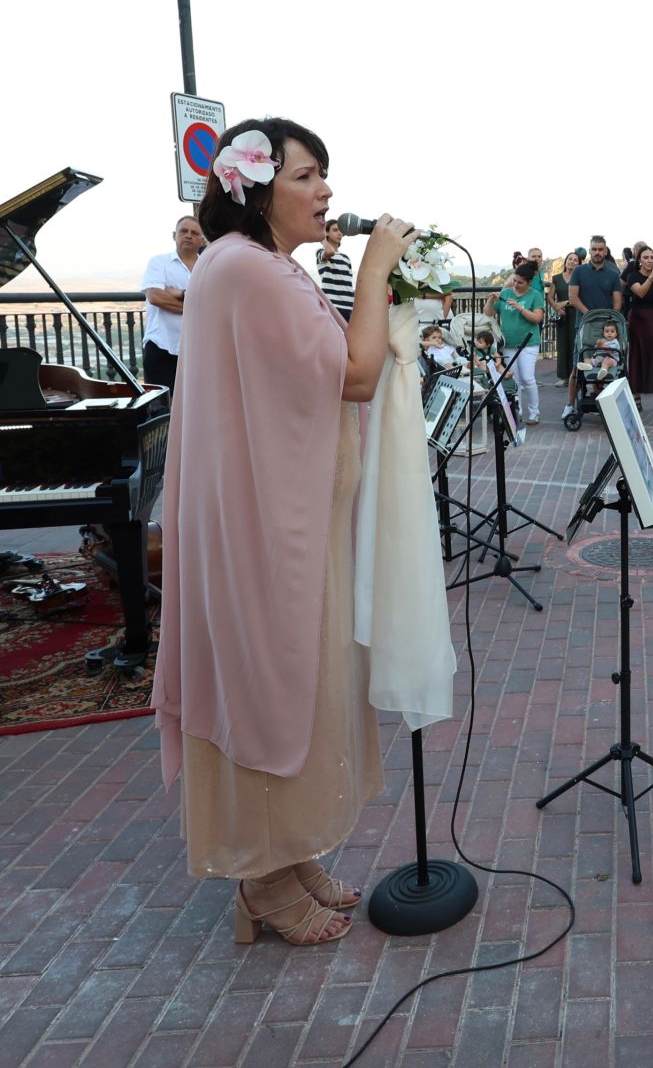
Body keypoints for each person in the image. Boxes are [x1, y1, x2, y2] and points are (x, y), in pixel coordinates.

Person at [152, 117, 415, 947]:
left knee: (297, 679)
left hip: (285, 515)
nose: (326, 190)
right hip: (266, 525)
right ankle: (261, 879)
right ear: (258, 188)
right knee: (271, 683)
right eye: (307, 176)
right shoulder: (249, 269)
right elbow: (356, 374)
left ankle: (289, 851)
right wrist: (375, 267)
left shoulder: (256, 266)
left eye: (324, 175)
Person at [141, 214, 204, 392]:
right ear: (174, 235)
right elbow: (155, 297)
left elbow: (216, 302)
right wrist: (196, 305)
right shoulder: (159, 263)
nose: (188, 235)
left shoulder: (207, 267)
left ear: (202, 240)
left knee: (195, 407)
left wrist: (175, 292)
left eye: (194, 233)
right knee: (162, 410)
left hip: (197, 351)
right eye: (183, 231)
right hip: (162, 346)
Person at [566, 236, 623, 417]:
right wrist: (589, 315)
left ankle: (603, 401)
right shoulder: (579, 271)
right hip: (585, 325)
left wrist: (611, 321)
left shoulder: (613, 273)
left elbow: (617, 301)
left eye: (601, 249)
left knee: (607, 365)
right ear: (589, 251)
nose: (597, 252)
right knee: (578, 366)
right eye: (594, 249)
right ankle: (569, 405)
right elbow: (573, 297)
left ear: (605, 251)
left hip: (607, 327)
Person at [622, 243, 653, 415]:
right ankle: (636, 399)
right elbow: (641, 292)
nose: (650, 260)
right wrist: (652, 276)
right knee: (637, 356)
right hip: (637, 318)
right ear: (639, 260)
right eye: (646, 257)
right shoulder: (633, 276)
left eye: (652, 257)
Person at [493, 260, 545, 424]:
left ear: (528, 282)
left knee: (527, 378)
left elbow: (537, 318)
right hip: (508, 343)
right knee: (513, 380)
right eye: (514, 280)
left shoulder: (535, 295)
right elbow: (488, 313)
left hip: (528, 342)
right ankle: (517, 411)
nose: (515, 284)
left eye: (520, 282)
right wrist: (490, 301)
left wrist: (520, 308)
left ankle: (534, 413)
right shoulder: (506, 293)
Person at [314, 217, 353, 322]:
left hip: (349, 307)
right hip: (333, 306)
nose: (340, 233)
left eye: (341, 231)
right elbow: (329, 252)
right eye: (335, 230)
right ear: (326, 233)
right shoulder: (320, 252)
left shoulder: (346, 258)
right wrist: (322, 238)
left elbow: (348, 284)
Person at [550, 250, 579, 384]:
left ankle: (575, 375)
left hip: (575, 313)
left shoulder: (579, 278)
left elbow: (579, 297)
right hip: (562, 315)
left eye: (575, 260)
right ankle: (563, 377)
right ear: (565, 261)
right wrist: (557, 307)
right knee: (562, 344)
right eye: (570, 259)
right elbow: (550, 297)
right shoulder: (556, 278)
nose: (572, 261)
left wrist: (565, 303)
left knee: (574, 342)